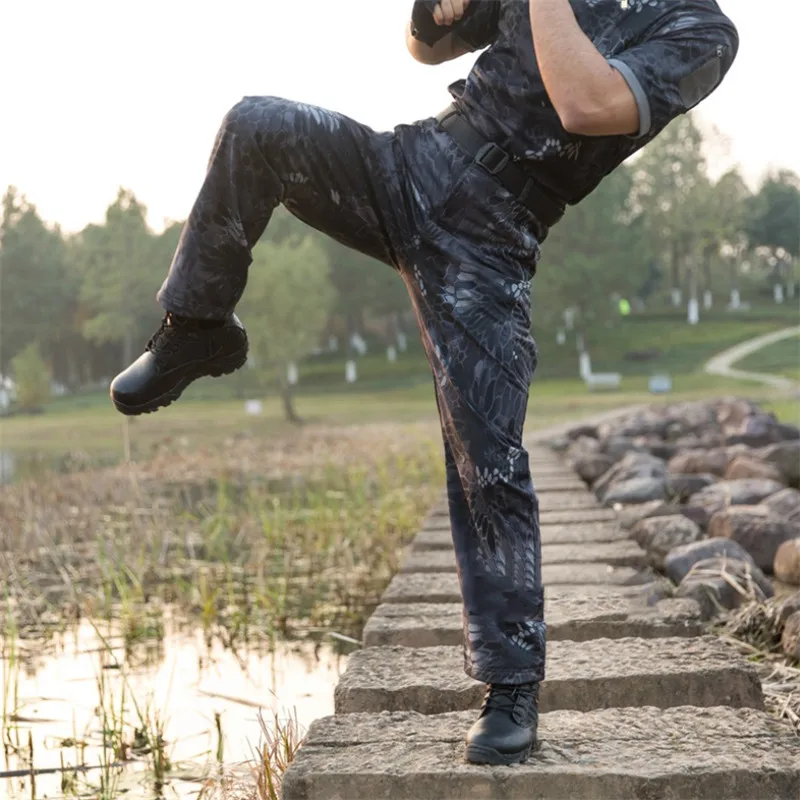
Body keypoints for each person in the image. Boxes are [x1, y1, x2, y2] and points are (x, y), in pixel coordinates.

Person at [110, 0, 738, 766]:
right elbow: (424, 48)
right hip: (411, 163)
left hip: (493, 233)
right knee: (257, 124)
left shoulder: (700, 33)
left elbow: (588, 104)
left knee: (488, 455)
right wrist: (435, 7)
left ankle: (511, 685)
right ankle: (197, 328)